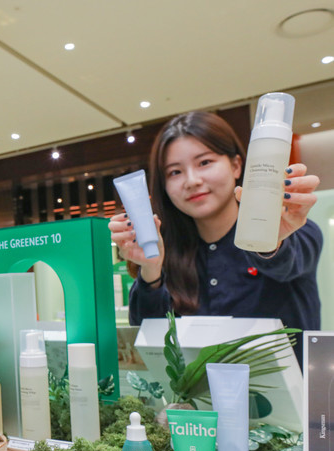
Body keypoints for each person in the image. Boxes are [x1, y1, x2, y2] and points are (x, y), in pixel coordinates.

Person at [109, 111, 321, 362]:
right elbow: (151, 346)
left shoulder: (294, 231)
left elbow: (287, 263)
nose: (192, 181)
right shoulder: (169, 250)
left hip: (291, 387)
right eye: (175, 172)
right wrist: (151, 271)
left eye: (204, 162)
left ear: (236, 165)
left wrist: (269, 239)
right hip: (197, 390)